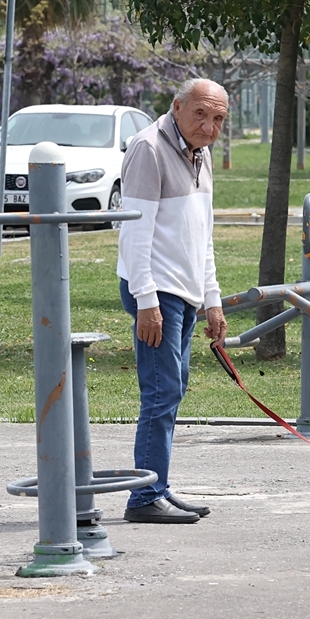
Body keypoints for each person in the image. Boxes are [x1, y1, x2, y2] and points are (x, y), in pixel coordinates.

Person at [117, 78, 229, 524]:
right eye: (201, 113)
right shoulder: (149, 148)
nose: (209, 125)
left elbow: (202, 240)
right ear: (177, 106)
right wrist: (146, 300)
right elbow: (135, 232)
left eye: (218, 118)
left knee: (172, 390)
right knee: (161, 394)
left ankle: (156, 486)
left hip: (183, 292)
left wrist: (213, 300)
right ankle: (144, 498)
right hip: (156, 292)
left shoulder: (199, 157)